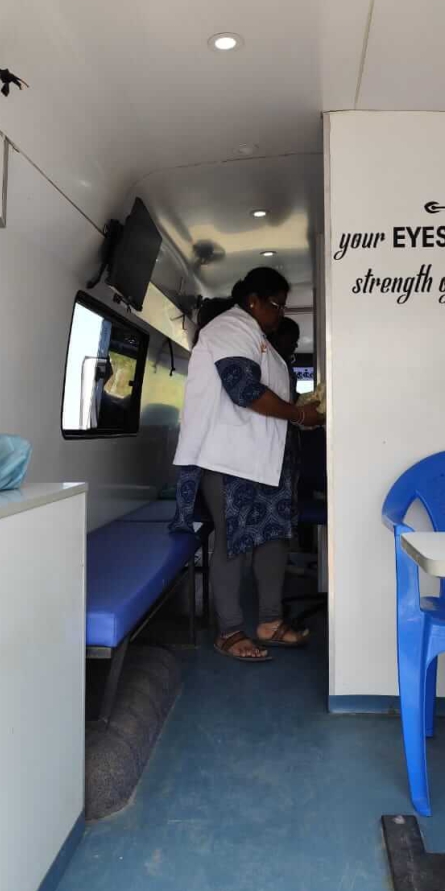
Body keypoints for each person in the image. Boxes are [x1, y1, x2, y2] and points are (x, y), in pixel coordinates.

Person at [170, 267, 324, 661]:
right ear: (252, 301)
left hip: (265, 462)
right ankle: (229, 631)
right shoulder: (229, 328)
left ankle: (270, 622)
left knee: (274, 539)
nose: (280, 313)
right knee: (234, 543)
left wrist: (301, 410)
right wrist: (300, 415)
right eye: (276, 304)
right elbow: (244, 389)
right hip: (230, 461)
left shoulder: (260, 339)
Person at [270, 317, 300, 400]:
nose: (296, 345)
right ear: (277, 338)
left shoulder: (287, 364)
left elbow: (290, 394)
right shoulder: (265, 362)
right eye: (293, 340)